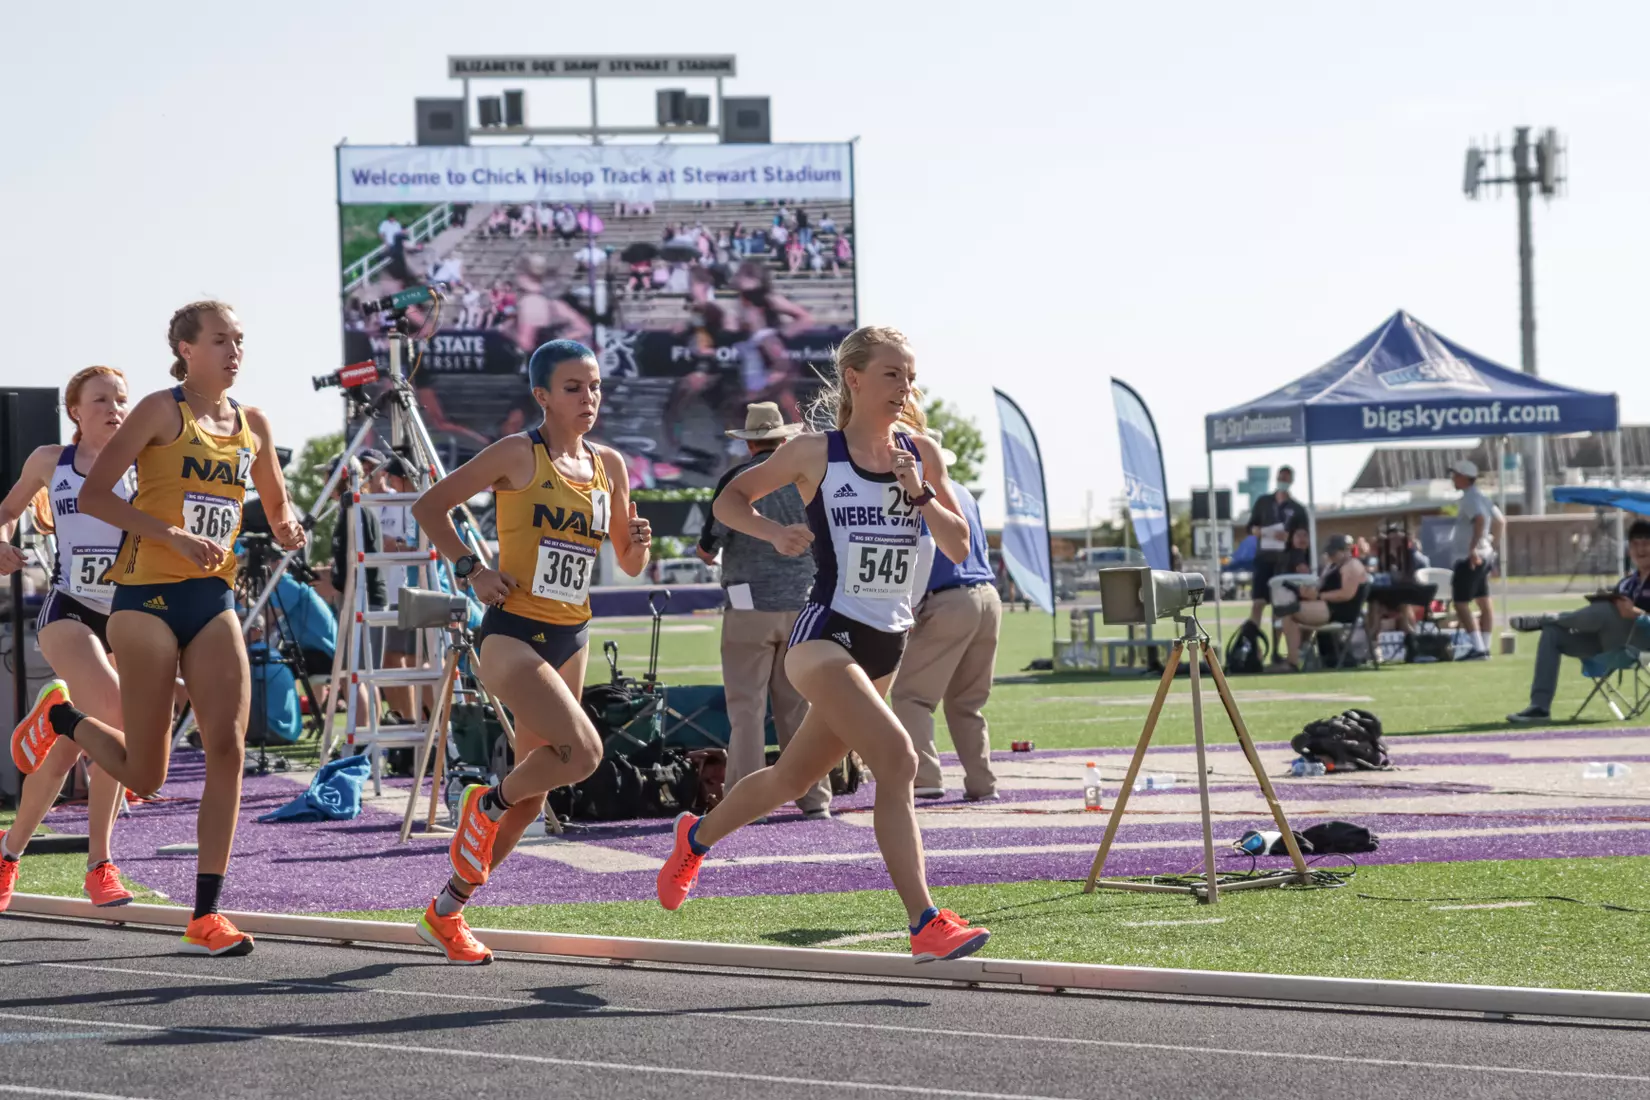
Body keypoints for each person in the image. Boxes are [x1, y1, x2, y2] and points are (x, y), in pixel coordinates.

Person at [654, 325, 992, 963]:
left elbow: (959, 546)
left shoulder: (921, 454)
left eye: (910, 376)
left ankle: (694, 839)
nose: (905, 387)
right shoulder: (816, 452)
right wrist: (773, 531)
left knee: (788, 778)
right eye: (892, 374)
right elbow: (729, 499)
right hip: (824, 635)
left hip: (887, 642)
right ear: (855, 380)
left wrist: (917, 491)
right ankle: (925, 920)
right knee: (897, 759)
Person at [11, 301, 304, 956]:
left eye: (240, 340)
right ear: (185, 349)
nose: (234, 351)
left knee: (225, 747)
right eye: (220, 340)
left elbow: (277, 504)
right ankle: (60, 721)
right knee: (147, 777)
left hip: (213, 597)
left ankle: (207, 913)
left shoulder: (252, 422)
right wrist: (169, 532)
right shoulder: (157, 410)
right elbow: (94, 497)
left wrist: (287, 529)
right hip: (144, 599)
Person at [409, 339, 652, 965]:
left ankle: (446, 911)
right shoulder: (519, 453)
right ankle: (481, 802)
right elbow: (431, 506)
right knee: (584, 753)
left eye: (594, 386)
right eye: (573, 387)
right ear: (542, 396)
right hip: (513, 632)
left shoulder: (611, 466)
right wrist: (471, 568)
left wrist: (640, 543)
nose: (588, 398)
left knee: (535, 795)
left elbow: (626, 560)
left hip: (572, 633)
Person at [0, 366, 138, 913]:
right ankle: (100, 865)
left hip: (129, 613)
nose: (114, 407)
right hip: (70, 609)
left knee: (71, 751)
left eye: (121, 399)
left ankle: (8, 854)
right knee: (115, 712)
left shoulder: (144, 462)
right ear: (75, 410)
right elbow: (8, 510)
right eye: (101, 399)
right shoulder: (49, 460)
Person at [696, 402, 829, 821]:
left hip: (747, 604)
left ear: (749, 441)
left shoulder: (737, 480)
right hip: (802, 604)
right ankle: (815, 798)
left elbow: (706, 549)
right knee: (798, 707)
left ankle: (746, 801)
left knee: (747, 709)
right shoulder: (807, 477)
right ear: (785, 438)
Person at [891, 429, 1001, 803]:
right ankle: (982, 782)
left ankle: (926, 778)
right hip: (987, 596)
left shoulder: (922, 494)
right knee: (967, 702)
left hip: (948, 599)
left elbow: (924, 547)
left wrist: (912, 605)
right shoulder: (965, 494)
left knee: (911, 697)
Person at [1508, 520, 1650, 724]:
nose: (1641, 549)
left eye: (1646, 543)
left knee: (1605, 609)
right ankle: (1539, 707)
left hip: (1640, 644)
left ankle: (1549, 617)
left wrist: (1635, 612)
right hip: (1609, 643)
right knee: (1552, 633)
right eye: (1635, 544)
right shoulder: (1627, 582)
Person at [1270, 534, 1368, 672]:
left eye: (1335, 552)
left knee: (1291, 611)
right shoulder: (1333, 566)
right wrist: (1308, 593)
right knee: (1287, 610)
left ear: (1346, 550)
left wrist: (1319, 595)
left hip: (1342, 610)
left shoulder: (1352, 566)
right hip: (1328, 606)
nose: (1332, 556)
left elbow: (1346, 594)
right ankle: (1297, 656)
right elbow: (1321, 587)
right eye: (1330, 552)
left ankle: (1293, 661)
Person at [1447, 459, 1503, 660]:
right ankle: (1484, 647)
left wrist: (1472, 548)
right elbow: (1500, 521)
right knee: (1483, 600)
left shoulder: (1470, 498)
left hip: (1469, 557)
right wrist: (1491, 547)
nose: (1452, 478)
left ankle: (1478, 647)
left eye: (1455, 475)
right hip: (1485, 555)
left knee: (1461, 603)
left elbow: (1479, 519)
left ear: (1463, 477)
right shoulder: (1483, 497)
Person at [1245, 466, 1308, 630]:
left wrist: (1290, 537)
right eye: (1281, 478)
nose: (1283, 482)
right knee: (1258, 603)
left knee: (1279, 607)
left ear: (1292, 481)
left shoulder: (1297, 509)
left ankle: (1275, 649)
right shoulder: (1263, 502)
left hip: (1284, 562)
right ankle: (1253, 643)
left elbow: (1303, 539)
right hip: (1263, 559)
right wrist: (1256, 531)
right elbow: (1250, 525)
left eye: (1286, 479)